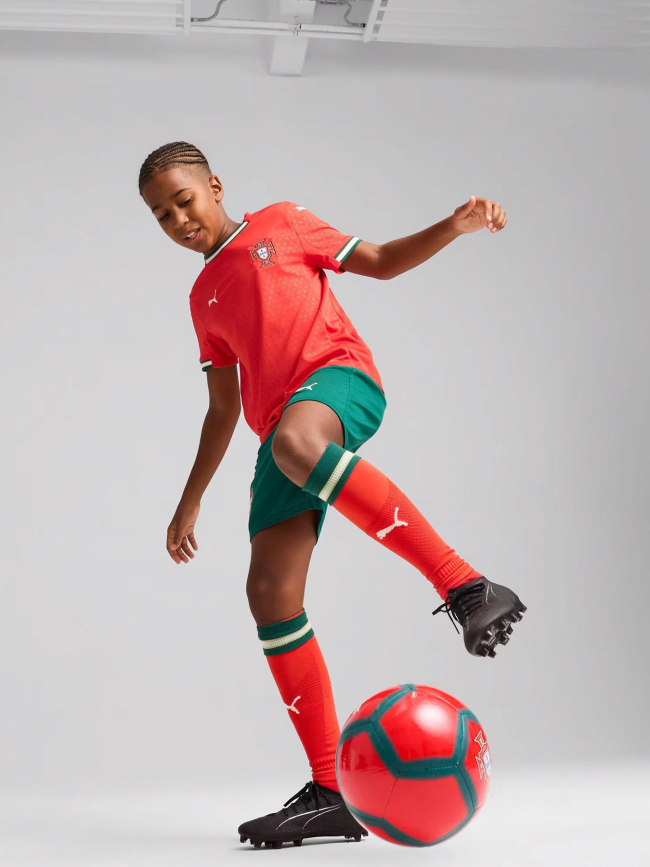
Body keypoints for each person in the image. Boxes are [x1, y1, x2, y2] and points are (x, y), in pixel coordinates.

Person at [138, 141, 526, 850]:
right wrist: (189, 500)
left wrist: (454, 225)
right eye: (161, 215)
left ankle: (467, 585)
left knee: (295, 443)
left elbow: (378, 259)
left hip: (338, 380)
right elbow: (222, 407)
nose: (177, 220)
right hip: (280, 433)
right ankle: (331, 790)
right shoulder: (201, 298)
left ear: (215, 186)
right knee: (268, 592)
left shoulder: (283, 222)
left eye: (183, 200)